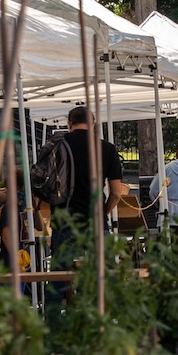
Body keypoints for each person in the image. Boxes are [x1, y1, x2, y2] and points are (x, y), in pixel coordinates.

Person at [57, 105, 126, 256]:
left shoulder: (57, 147)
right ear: (93, 124)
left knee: (61, 269)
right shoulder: (107, 149)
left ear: (69, 124)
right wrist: (104, 212)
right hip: (95, 219)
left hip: (63, 219)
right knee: (103, 267)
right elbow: (116, 193)